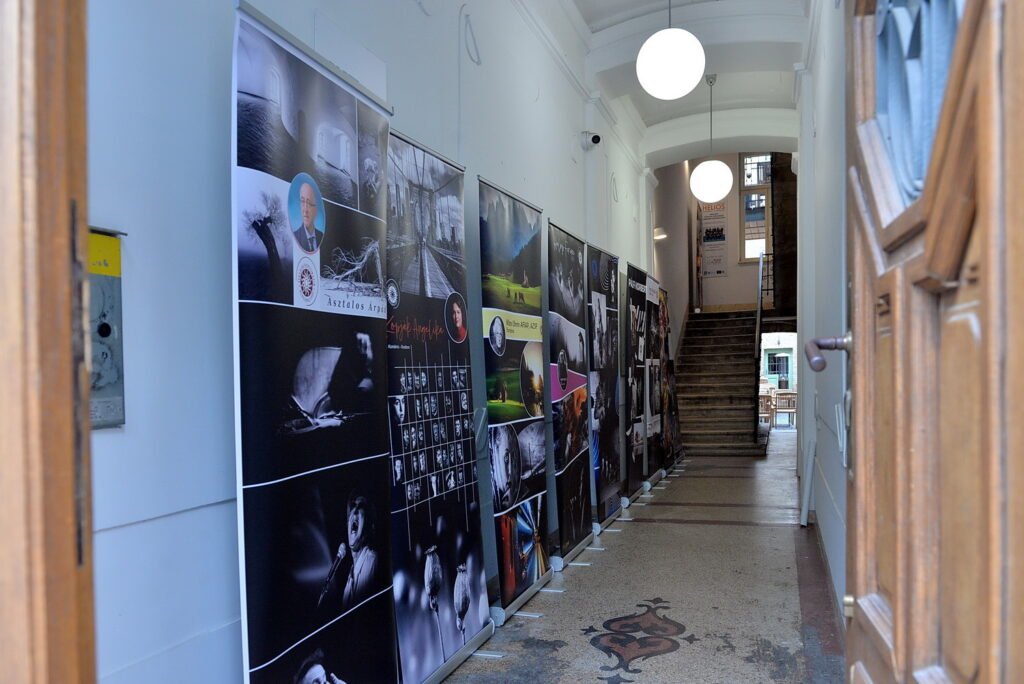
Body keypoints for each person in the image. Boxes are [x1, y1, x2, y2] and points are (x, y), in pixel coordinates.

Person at [293, 182, 324, 253]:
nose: (305, 210)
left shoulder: (321, 236)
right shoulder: (295, 237)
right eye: (302, 201)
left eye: (309, 203)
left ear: (316, 209)